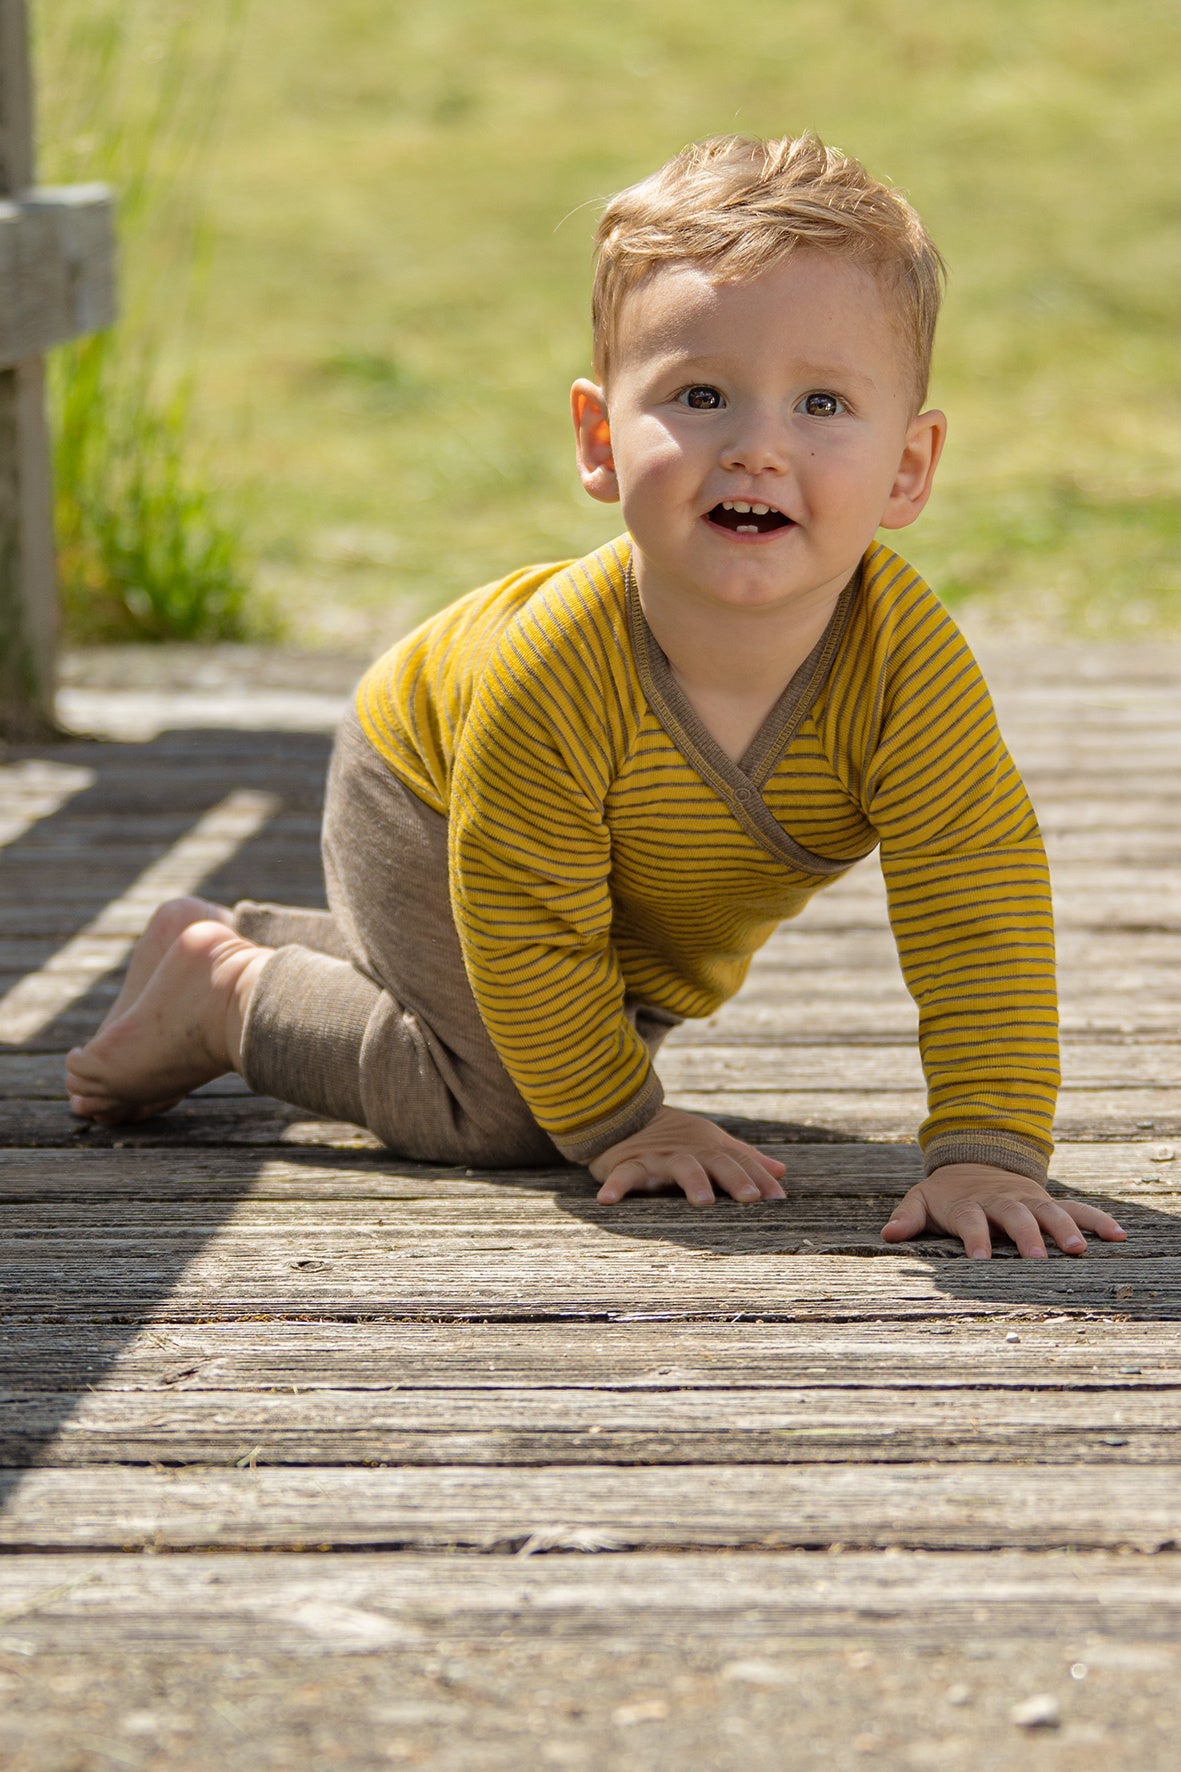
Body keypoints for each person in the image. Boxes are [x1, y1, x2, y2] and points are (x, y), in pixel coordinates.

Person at [66, 131, 1125, 1261]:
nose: (756, 448)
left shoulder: (907, 674)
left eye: (821, 404)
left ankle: (255, 957)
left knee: (582, 1026)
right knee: (511, 1109)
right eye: (701, 394)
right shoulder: (555, 675)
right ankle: (224, 992)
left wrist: (986, 1145)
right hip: (425, 785)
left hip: (625, 891)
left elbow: (976, 904)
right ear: (598, 439)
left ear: (908, 467)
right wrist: (626, 1121)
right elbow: (526, 919)